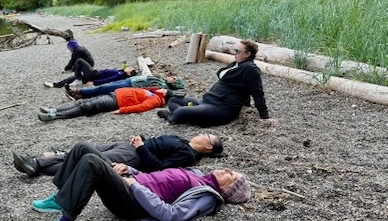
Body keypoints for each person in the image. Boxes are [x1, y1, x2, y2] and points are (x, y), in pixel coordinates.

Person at [29, 142, 251, 221]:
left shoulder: (208, 197)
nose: (228, 170)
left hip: (133, 203)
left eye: (231, 176)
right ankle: (61, 198)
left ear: (226, 189)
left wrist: (134, 185)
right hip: (131, 182)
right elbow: (159, 179)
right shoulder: (199, 174)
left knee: (91, 162)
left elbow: (171, 215)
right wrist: (132, 171)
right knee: (83, 148)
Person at [157, 39, 275, 127]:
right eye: (235, 50)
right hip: (207, 100)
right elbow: (242, 87)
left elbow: (257, 92)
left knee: (179, 111)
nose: (234, 53)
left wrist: (264, 117)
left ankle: (173, 117)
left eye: (238, 51)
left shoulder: (251, 69)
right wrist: (246, 103)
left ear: (248, 54)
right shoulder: (236, 63)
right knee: (173, 100)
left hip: (221, 108)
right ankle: (190, 117)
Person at [12, 133, 223, 177]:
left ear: (208, 148)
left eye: (207, 136)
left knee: (84, 158)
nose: (202, 133)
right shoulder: (183, 141)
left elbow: (159, 168)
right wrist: (140, 139)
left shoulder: (187, 155)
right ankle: (37, 165)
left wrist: (140, 147)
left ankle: (36, 163)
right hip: (128, 146)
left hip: (133, 157)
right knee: (81, 151)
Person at [38, 87, 172, 121]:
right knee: (83, 102)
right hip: (115, 95)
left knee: (86, 107)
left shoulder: (156, 100)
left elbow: (141, 107)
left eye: (164, 90)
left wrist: (122, 110)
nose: (162, 88)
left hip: (115, 102)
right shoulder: (153, 92)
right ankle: (53, 110)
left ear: (164, 95)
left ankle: (56, 116)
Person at [65, 75, 185, 100]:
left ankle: (77, 91)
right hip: (129, 80)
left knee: (103, 90)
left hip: (130, 85)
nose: (171, 77)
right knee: (105, 87)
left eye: (173, 78)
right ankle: (80, 95)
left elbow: (147, 89)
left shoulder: (161, 85)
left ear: (173, 83)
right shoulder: (162, 79)